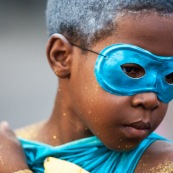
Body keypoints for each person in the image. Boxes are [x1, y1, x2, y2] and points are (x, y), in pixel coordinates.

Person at [1, 0, 173, 172]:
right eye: (131, 70)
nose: (151, 99)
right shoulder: (9, 148)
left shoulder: (163, 164)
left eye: (169, 76)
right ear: (61, 57)